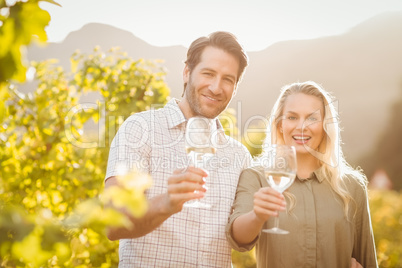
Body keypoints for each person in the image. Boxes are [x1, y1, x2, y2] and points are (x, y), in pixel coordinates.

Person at [104, 31, 252, 267]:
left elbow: (243, 239)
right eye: (208, 73)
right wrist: (167, 203)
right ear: (186, 72)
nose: (216, 87)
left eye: (227, 79)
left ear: (235, 87)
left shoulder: (240, 156)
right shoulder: (141, 129)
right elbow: (113, 222)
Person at [226, 81, 378, 268]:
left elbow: (367, 259)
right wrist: (257, 215)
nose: (301, 126)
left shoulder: (352, 186)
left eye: (312, 118)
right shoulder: (256, 177)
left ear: (325, 125)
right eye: (292, 117)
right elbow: (238, 239)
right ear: (280, 124)